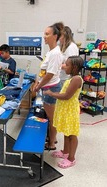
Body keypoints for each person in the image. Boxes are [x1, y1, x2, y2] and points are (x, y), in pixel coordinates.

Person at [44, 56, 84, 169]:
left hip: (70, 110)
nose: (64, 67)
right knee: (67, 132)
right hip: (66, 110)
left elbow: (66, 96)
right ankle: (65, 152)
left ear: (74, 67)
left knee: (72, 134)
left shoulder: (76, 79)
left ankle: (71, 158)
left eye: (66, 65)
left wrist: (51, 93)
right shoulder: (72, 78)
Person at [33, 22, 64, 150]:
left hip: (51, 88)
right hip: (47, 87)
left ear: (55, 36)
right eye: (44, 34)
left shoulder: (55, 53)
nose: (44, 36)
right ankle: (52, 138)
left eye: (47, 34)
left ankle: (51, 143)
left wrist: (39, 85)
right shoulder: (51, 52)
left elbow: (50, 74)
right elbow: (44, 71)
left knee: (52, 118)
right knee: (50, 116)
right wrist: (37, 81)